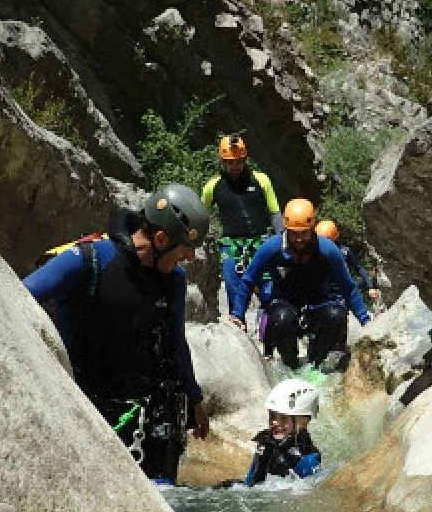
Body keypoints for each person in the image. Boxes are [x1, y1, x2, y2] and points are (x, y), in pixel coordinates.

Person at [24, 183, 211, 483]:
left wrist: (195, 398)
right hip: (88, 405)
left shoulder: (173, 280)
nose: (189, 258)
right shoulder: (89, 259)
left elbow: (175, 342)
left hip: (149, 414)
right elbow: (22, 295)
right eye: (186, 249)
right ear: (161, 238)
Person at [228, 198, 371, 370]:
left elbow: (348, 287)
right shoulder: (272, 248)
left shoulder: (328, 250)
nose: (299, 239)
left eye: (304, 233)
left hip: (318, 304)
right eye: (294, 233)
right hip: (284, 304)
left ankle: (316, 364)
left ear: (312, 229)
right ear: (286, 230)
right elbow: (248, 280)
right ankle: (291, 367)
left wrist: (365, 319)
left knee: (337, 315)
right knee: (281, 318)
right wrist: (237, 314)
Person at [201, 134, 282, 312]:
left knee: (268, 291)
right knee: (235, 293)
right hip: (230, 244)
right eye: (230, 162)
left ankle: (270, 323)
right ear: (223, 162)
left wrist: (281, 239)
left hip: (261, 242)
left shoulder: (261, 180)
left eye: (238, 161)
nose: (235, 166)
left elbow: (275, 212)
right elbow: (201, 215)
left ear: (245, 159)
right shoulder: (212, 186)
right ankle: (238, 322)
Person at [244, 378, 322, 486]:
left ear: (304, 422)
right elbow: (250, 481)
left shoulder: (308, 460)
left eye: (284, 418)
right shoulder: (266, 442)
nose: (275, 422)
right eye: (272, 416)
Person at [314, 219, 381, 306]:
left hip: (341, 291)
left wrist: (370, 287)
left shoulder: (345, 251)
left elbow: (359, 268)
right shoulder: (316, 253)